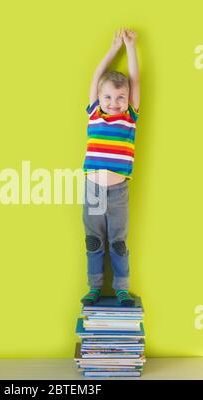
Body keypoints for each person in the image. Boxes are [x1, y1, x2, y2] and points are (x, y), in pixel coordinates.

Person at [81, 28, 140, 307]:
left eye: (120, 97)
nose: (114, 103)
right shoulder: (95, 112)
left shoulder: (129, 117)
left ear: (127, 99)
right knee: (94, 241)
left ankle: (121, 289)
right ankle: (94, 287)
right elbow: (96, 76)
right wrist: (114, 48)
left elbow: (135, 80)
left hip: (118, 192)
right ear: (100, 98)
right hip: (93, 189)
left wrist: (131, 48)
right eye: (108, 97)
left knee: (118, 243)